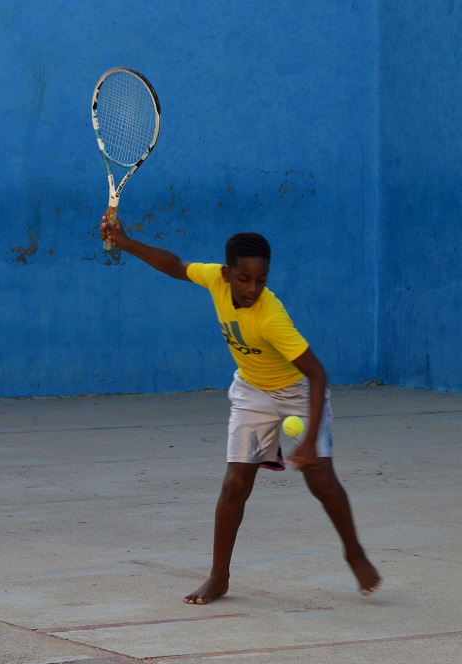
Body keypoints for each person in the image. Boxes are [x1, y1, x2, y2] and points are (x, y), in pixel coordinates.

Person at [100, 217, 381, 603]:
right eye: (245, 279)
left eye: (261, 280)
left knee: (321, 480)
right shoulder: (214, 279)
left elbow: (317, 374)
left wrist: (311, 441)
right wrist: (126, 242)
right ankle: (219, 577)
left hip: (297, 391)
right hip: (252, 390)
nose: (253, 288)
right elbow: (175, 265)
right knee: (235, 484)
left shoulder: (271, 316)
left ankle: (354, 552)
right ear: (228, 273)